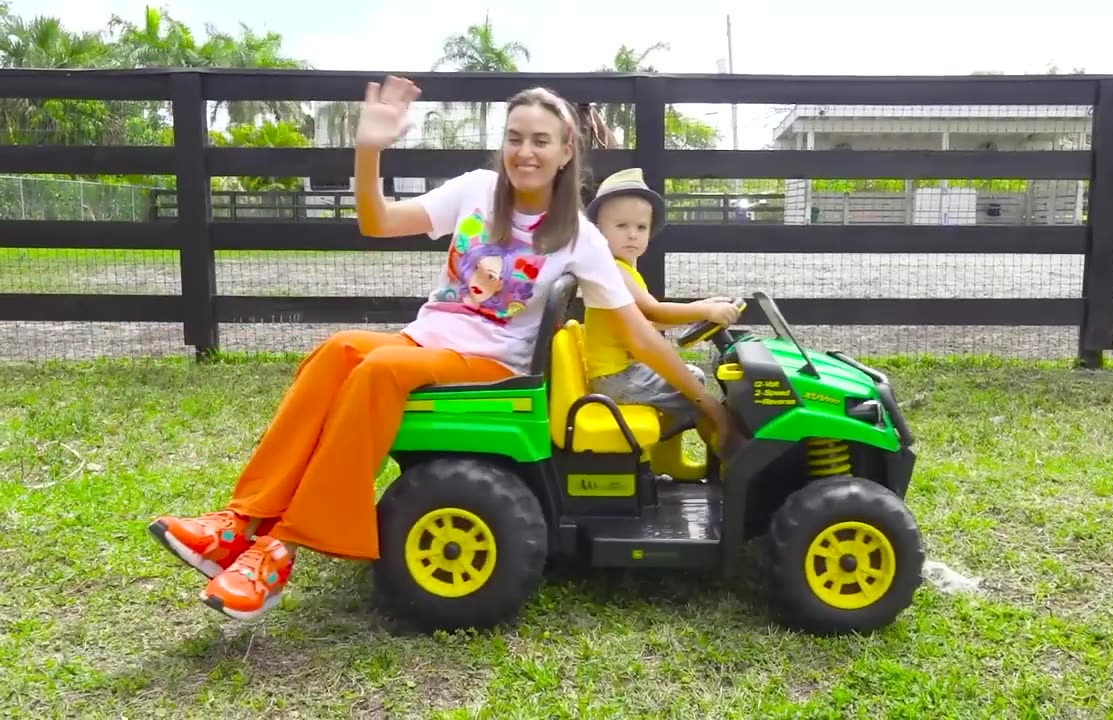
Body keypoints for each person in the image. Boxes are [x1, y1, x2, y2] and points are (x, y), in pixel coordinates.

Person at [147, 77, 736, 621]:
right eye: (514, 138)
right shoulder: (476, 191)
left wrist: (704, 403)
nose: (524, 151)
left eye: (540, 141)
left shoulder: (580, 238)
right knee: (336, 352)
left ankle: (279, 551)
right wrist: (370, 149)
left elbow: (637, 332)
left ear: (564, 153)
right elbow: (377, 222)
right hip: (427, 337)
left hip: (490, 361)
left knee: (379, 370)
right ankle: (239, 522)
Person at [582, 168, 741, 451]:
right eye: (621, 226)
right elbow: (653, 312)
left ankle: (664, 459)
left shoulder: (625, 270)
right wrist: (704, 311)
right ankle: (728, 454)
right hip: (617, 379)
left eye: (641, 227)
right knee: (701, 404)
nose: (632, 235)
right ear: (598, 231)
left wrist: (702, 307)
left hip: (622, 372)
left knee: (696, 376)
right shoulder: (613, 271)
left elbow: (647, 323)